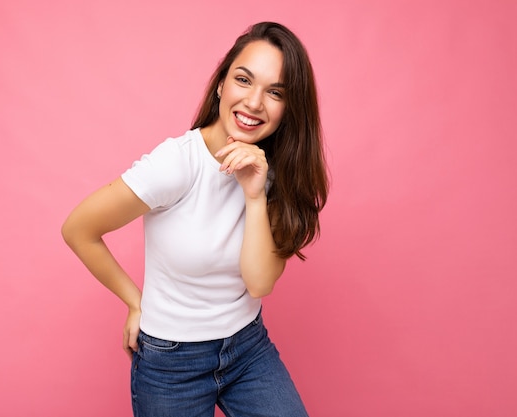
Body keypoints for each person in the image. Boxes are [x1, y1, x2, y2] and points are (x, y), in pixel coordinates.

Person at [62, 21, 328, 417]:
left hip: (247, 347)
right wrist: (137, 303)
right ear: (221, 84)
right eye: (243, 80)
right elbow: (79, 229)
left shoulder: (278, 172)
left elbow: (259, 282)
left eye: (275, 93)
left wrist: (255, 195)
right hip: (171, 363)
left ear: (289, 109)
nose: (254, 102)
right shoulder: (177, 164)